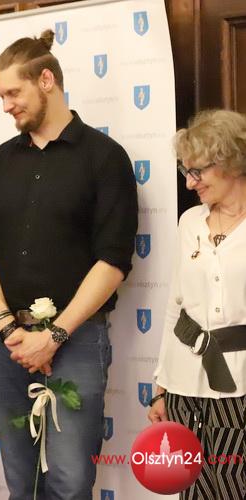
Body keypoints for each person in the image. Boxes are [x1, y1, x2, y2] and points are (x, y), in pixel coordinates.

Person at [0, 30, 137, 499]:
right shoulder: (0, 161)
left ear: (46, 81)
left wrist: (54, 335)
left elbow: (113, 260)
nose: (6, 106)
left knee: (69, 481)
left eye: (12, 93)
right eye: (0, 96)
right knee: (21, 483)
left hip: (76, 342)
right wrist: (4, 324)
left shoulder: (104, 158)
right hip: (7, 343)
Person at [148, 109, 246, 499]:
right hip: (184, 386)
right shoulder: (189, 222)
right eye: (185, 171)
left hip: (239, 386)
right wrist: (161, 387)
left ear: (230, 161)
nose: (190, 183)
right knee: (193, 490)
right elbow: (176, 306)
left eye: (197, 171)